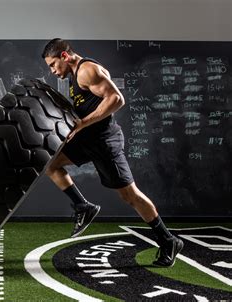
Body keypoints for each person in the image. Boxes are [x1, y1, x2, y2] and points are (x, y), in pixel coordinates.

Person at [42, 38, 183, 267]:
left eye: (53, 64)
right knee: (51, 163)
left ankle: (168, 240)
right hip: (88, 140)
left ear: (64, 56)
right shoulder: (75, 74)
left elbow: (117, 99)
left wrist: (82, 123)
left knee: (130, 196)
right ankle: (82, 206)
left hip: (105, 143)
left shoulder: (87, 70)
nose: (52, 70)